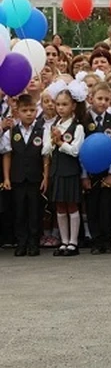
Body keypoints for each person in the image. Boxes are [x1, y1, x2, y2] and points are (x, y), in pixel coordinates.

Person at [42, 81, 88, 257]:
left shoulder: (78, 127)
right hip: (57, 171)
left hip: (70, 172)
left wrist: (61, 142)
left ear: (73, 106)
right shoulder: (53, 126)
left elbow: (76, 151)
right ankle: (64, 240)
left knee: (72, 206)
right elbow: (45, 150)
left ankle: (73, 242)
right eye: (58, 104)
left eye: (64, 104)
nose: (60, 108)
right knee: (60, 207)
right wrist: (52, 140)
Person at [1, 95, 47, 256]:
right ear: (17, 112)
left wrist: (45, 177)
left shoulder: (41, 130)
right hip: (18, 178)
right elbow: (7, 154)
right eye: (24, 110)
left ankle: (33, 243)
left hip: (35, 178)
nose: (29, 114)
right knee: (19, 211)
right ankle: (21, 242)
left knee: (34, 211)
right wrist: (6, 178)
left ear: (37, 111)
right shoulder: (12, 131)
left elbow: (45, 156)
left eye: (32, 110)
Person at [82, 82, 111, 254]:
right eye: (99, 98)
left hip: (106, 171)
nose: (103, 102)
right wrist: (83, 175)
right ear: (91, 99)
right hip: (89, 171)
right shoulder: (83, 120)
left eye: (107, 99)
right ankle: (96, 241)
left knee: (106, 207)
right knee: (92, 207)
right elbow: (82, 148)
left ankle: (107, 240)